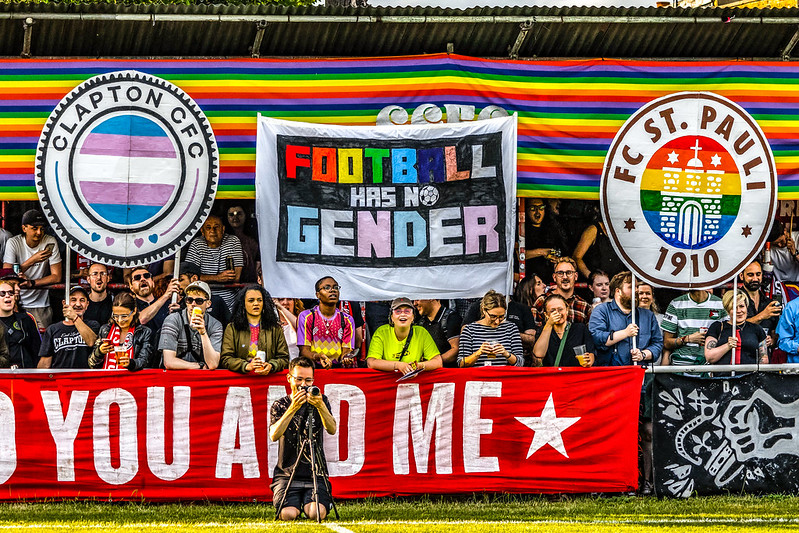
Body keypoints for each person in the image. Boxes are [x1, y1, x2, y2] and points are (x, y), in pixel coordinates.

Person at [269, 357, 336, 522]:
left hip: (316, 472)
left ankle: (307, 502)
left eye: (308, 380)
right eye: (299, 379)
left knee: (316, 513)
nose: (303, 385)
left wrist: (320, 405)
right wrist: (293, 408)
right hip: (286, 474)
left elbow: (332, 429)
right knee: (287, 515)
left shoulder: (321, 400)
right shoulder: (280, 405)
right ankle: (294, 503)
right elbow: (274, 435)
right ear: (289, 378)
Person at [2, 209, 63, 331]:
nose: (39, 232)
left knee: (41, 344)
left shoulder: (50, 241)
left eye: (42, 228)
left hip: (40, 304)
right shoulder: (13, 242)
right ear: (24, 228)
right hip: (15, 302)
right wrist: (32, 260)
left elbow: (57, 276)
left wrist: (32, 283)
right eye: (34, 228)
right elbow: (6, 277)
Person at [588, 271, 662, 366]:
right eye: (631, 287)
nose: (636, 291)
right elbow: (597, 338)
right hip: (611, 373)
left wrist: (643, 355)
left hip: (639, 373)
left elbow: (657, 343)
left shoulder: (648, 315)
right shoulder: (602, 310)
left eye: (636, 287)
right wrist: (625, 333)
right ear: (618, 291)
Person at [220, 285, 289, 375]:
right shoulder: (232, 328)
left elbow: (284, 358)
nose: (256, 303)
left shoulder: (275, 328)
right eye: (251, 300)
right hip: (241, 380)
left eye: (259, 300)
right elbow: (226, 358)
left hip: (268, 379)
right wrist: (246, 366)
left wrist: (271, 365)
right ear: (243, 304)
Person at [366, 297, 443, 374]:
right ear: (391, 317)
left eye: (407, 311)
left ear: (413, 317)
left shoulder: (421, 332)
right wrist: (398, 365)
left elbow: (438, 362)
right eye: (398, 311)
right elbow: (371, 362)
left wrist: (418, 366)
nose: (402, 314)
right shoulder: (381, 332)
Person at [159, 281, 223, 370]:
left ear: (208, 304)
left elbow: (213, 364)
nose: (193, 304)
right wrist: (199, 366)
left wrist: (203, 333)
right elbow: (168, 362)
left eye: (199, 301)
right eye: (189, 300)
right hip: (176, 376)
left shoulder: (215, 325)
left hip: (201, 379)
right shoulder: (173, 319)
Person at [184, 214, 244, 309]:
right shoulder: (197, 244)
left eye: (216, 227)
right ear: (202, 231)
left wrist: (204, 278)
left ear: (223, 229)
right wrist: (217, 278)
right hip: (202, 299)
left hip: (230, 299)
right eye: (208, 228)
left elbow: (236, 277)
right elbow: (190, 278)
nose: (212, 231)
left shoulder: (232, 241)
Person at [296, 277, 356, 368]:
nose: (332, 290)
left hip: (337, 369)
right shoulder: (306, 317)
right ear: (318, 295)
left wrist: (346, 358)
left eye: (335, 288)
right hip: (313, 368)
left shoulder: (347, 320)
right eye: (327, 288)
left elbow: (346, 350)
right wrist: (318, 357)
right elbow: (304, 351)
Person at [37, 286, 100, 369]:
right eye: (73, 300)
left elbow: (91, 342)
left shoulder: (93, 325)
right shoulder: (52, 329)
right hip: (61, 379)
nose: (78, 304)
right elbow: (45, 365)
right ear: (64, 303)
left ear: (87, 305)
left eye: (82, 300)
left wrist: (74, 317)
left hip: (85, 378)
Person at [89, 292, 154, 371]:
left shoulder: (144, 332)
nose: (119, 320)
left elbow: (145, 361)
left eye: (124, 316)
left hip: (132, 381)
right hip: (108, 381)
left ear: (134, 311)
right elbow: (91, 363)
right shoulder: (105, 330)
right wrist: (99, 352)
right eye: (115, 316)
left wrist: (130, 363)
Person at [661, 289, 727, 367]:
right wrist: (686, 339)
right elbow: (666, 343)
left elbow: (728, 335)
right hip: (681, 364)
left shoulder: (720, 304)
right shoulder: (676, 304)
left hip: (710, 364)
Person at [458, 291, 524, 367]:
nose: (497, 321)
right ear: (484, 311)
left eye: (501, 317)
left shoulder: (511, 328)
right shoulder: (469, 330)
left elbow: (520, 363)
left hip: (503, 376)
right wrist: (478, 353)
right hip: (478, 377)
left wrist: (506, 354)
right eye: (493, 316)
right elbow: (461, 363)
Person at [705, 291, 768, 366]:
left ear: (746, 307)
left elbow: (764, 358)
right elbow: (709, 357)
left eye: (741, 306)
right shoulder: (717, 327)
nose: (738, 311)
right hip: (723, 377)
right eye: (734, 307)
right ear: (728, 310)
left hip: (750, 376)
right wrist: (728, 346)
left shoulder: (756, 329)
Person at [533, 293, 595, 367]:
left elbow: (591, 353)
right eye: (552, 311)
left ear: (567, 310)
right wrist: (549, 324)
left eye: (560, 309)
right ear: (546, 315)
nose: (558, 313)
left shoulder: (580, 329)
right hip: (552, 376)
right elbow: (538, 354)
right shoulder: (543, 331)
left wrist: (589, 360)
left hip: (575, 376)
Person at [531, 257, 592, 329]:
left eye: (569, 273)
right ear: (554, 277)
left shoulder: (584, 306)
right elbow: (534, 334)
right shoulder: (542, 301)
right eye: (560, 273)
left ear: (576, 276)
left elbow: (588, 336)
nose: (565, 277)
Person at [523, 198, 569, 281]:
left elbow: (564, 253)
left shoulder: (554, 229)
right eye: (533, 208)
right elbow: (518, 255)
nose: (538, 212)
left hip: (550, 279)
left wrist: (557, 259)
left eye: (541, 208)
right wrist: (542, 252)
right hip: (528, 280)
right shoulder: (520, 230)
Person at [174, 261, 231, 328]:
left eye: (180, 280)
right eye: (189, 300)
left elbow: (229, 326)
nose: (177, 284)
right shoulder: (178, 304)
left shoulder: (217, 301)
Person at [129, 266, 180, 335]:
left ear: (153, 283)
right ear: (131, 287)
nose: (143, 279)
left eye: (147, 276)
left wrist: (176, 315)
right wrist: (166, 295)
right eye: (137, 278)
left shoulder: (168, 305)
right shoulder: (130, 305)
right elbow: (141, 320)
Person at [0, 280, 39, 368]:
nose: (7, 296)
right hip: (3, 376)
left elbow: (37, 350)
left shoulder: (26, 319)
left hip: (25, 373)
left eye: (11, 293)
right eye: (2, 293)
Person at [413, 299, 461, 367]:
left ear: (431, 298)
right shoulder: (421, 323)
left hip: (448, 373)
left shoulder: (451, 318)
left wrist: (433, 363)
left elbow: (456, 350)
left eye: (417, 299)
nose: (414, 303)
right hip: (428, 373)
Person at [739, 261, 781, 335]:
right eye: (750, 275)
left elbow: (776, 330)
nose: (755, 279)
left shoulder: (768, 303)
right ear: (741, 276)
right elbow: (734, 327)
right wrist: (762, 316)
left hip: (765, 346)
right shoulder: (734, 300)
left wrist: (772, 340)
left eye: (758, 274)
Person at [226, 204, 260, 284]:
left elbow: (258, 262)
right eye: (231, 215)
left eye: (239, 214)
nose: (235, 218)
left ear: (245, 215)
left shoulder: (254, 238)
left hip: (250, 283)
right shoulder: (222, 238)